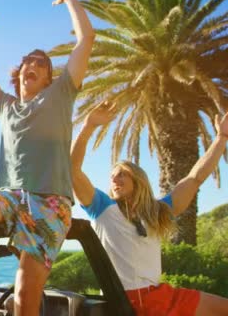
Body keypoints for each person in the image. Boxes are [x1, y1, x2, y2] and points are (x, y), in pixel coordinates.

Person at [0, 0, 95, 315]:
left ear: (49, 78)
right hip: (12, 196)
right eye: (27, 62)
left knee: (25, 295)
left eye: (41, 63)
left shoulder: (60, 95)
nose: (31, 66)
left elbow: (86, 38)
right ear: (19, 74)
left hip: (50, 202)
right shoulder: (6, 106)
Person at [71, 102, 228, 315]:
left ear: (138, 180)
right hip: (126, 300)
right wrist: (89, 125)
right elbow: (72, 170)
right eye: (112, 176)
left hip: (159, 295)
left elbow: (195, 178)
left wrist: (221, 139)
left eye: (122, 174)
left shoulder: (158, 211)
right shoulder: (102, 208)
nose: (114, 179)